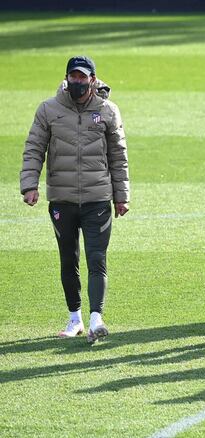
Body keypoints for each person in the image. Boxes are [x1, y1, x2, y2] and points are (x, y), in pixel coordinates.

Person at [20, 56, 129, 343]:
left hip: (98, 198)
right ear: (67, 78)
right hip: (62, 199)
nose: (77, 82)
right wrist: (29, 185)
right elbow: (34, 148)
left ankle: (96, 319)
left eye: (83, 77)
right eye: (73, 76)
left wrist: (122, 196)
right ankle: (75, 318)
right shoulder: (49, 109)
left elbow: (118, 157)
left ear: (93, 79)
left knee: (97, 258)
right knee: (69, 260)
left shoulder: (107, 111)